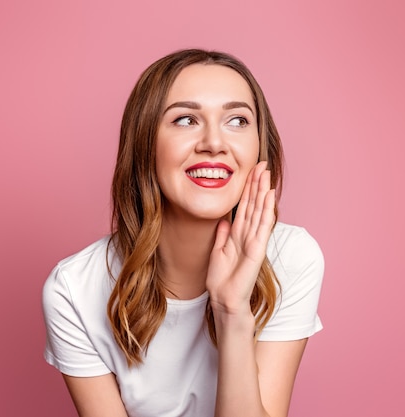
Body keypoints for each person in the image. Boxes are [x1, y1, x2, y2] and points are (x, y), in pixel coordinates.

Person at [42, 49, 324, 417]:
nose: (214, 142)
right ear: (145, 144)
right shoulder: (74, 289)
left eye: (237, 120)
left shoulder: (292, 257)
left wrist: (232, 311)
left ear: (259, 147)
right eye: (186, 120)